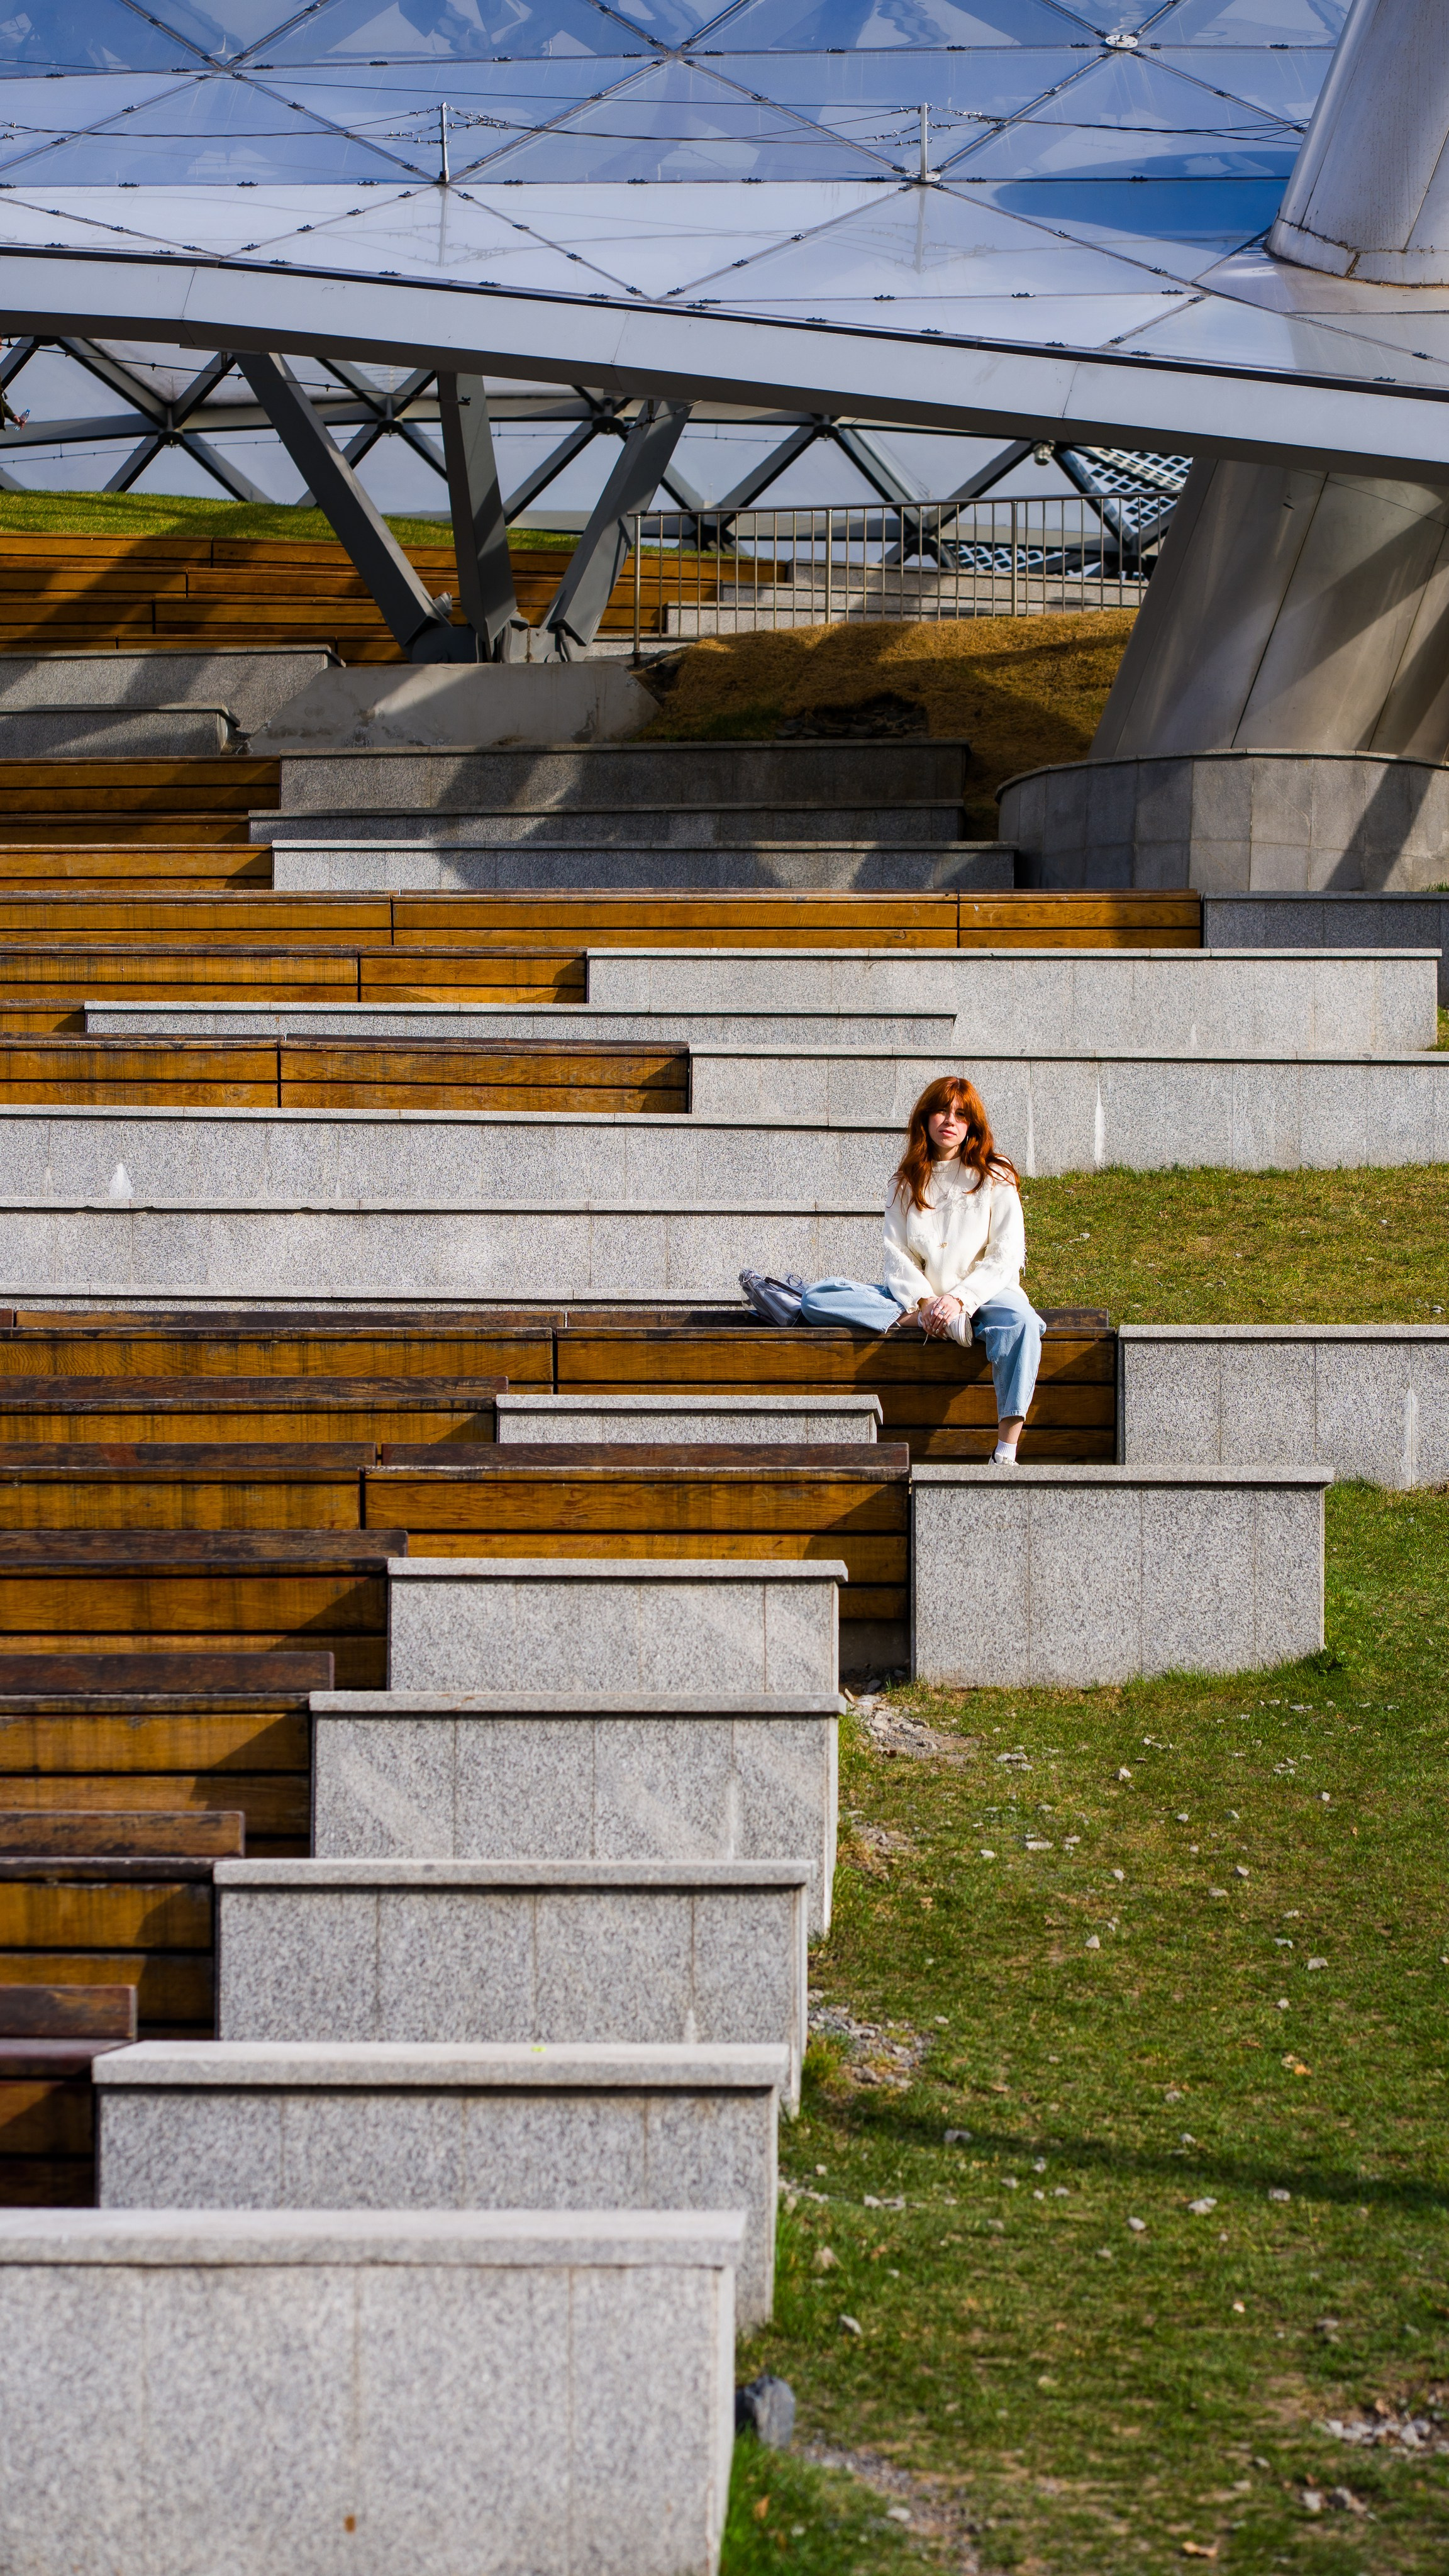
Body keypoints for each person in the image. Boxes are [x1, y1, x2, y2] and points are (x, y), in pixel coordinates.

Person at [797, 1075, 1043, 1465]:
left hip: (985, 1297)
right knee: (817, 1297)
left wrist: (960, 1300)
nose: (950, 1120)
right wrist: (927, 1302)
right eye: (942, 1111)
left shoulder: (994, 1174)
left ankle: (1006, 1452)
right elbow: (897, 1255)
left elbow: (1006, 1253)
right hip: (921, 1299)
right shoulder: (906, 1182)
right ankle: (926, 1321)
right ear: (926, 1118)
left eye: (961, 1115)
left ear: (971, 1126)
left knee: (1024, 1324)